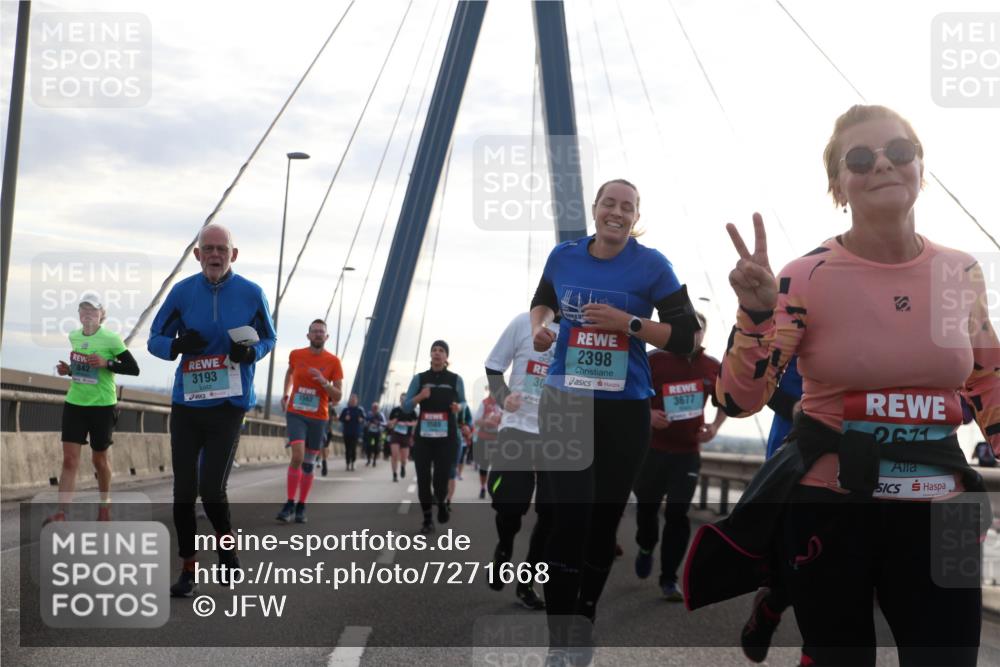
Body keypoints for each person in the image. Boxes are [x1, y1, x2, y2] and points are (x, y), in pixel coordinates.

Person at [685, 105, 999, 667]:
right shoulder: (805, 276)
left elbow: (988, 380)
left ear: (921, 170)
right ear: (838, 185)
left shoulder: (960, 272)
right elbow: (738, 400)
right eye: (860, 158)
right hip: (832, 504)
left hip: (942, 505)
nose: (882, 165)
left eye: (899, 152)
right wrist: (755, 315)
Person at [529, 178, 700, 664]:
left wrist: (629, 324)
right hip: (565, 401)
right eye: (610, 203)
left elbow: (685, 336)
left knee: (603, 526)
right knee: (569, 520)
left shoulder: (652, 265)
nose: (617, 213)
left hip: (625, 409)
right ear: (596, 208)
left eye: (627, 207)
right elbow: (543, 297)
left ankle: (583, 620)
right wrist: (540, 326)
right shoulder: (563, 256)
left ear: (635, 215)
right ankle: (558, 644)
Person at [148, 224, 276, 598]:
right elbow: (154, 338)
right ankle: (188, 569)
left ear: (233, 254)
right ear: (198, 254)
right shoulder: (182, 292)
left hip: (229, 405)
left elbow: (268, 337)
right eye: (209, 249)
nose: (215, 255)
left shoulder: (252, 293)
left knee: (211, 489)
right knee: (183, 493)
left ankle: (227, 548)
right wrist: (176, 345)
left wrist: (251, 352)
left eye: (222, 248)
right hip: (187, 404)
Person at [633, 311, 724, 601]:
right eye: (689, 330)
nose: (695, 335)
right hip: (652, 450)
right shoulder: (653, 360)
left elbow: (727, 400)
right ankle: (646, 546)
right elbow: (629, 394)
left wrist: (715, 426)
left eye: (700, 331)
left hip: (687, 453)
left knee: (677, 513)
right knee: (647, 510)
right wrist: (646, 414)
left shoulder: (712, 366)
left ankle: (669, 578)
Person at [484, 311, 559, 611]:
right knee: (510, 506)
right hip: (517, 427)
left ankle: (527, 581)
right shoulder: (523, 323)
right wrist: (503, 397)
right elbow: (493, 365)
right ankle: (504, 546)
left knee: (550, 514)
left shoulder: (583, 333)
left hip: (558, 434)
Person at [47, 293, 140, 524]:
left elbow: (133, 368)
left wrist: (106, 363)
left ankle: (104, 506)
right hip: (75, 403)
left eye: (92, 311)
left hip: (102, 406)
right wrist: (68, 370)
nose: (88, 314)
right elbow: (82, 369)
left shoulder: (111, 339)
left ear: (101, 315)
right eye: (84, 310)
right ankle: (62, 513)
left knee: (99, 461)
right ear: (79, 314)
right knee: (69, 460)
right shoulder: (74, 336)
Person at [739, 354, 801, 661]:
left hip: (869, 445)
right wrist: (800, 410)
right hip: (797, 446)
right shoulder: (797, 309)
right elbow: (755, 377)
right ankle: (772, 603)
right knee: (801, 557)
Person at [276, 319, 343, 523]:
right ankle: (289, 502)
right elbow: (289, 372)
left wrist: (324, 382)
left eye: (321, 332)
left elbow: (338, 396)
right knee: (297, 455)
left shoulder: (333, 362)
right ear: (308, 335)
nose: (317, 334)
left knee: (308, 463)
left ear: (326, 336)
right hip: (296, 413)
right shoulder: (296, 355)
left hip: (318, 417)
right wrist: (286, 394)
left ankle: (301, 505)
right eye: (314, 331)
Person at [401, 340, 467, 534]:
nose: (437, 353)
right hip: (424, 438)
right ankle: (427, 519)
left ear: (446, 357)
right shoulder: (420, 379)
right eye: (434, 350)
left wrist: (459, 407)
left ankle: (442, 502)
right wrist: (419, 397)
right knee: (423, 478)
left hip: (447, 439)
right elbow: (406, 406)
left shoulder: (455, 379)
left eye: (441, 351)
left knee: (440, 480)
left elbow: (464, 402)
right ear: (430, 355)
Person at [472, 392, 501, 499]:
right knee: (484, 465)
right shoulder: (484, 403)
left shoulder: (503, 403)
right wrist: (487, 422)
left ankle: (495, 488)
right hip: (484, 438)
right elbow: (476, 421)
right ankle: (483, 487)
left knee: (498, 466)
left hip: (499, 439)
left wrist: (499, 421)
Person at [387, 393, 417, 482]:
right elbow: (389, 423)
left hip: (406, 436)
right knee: (394, 455)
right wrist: (394, 421)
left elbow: (416, 422)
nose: (403, 401)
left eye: (405, 399)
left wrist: (409, 424)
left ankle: (403, 466)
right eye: (402, 399)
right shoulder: (395, 410)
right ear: (400, 400)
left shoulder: (411, 411)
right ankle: (394, 475)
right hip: (395, 434)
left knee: (404, 458)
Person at [338, 394, 365, 471]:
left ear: (357, 401)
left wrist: (361, 420)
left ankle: (353, 462)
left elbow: (364, 419)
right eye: (351, 400)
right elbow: (340, 419)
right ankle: (347, 463)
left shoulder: (360, 410)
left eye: (354, 400)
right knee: (347, 449)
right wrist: (345, 418)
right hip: (346, 432)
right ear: (349, 401)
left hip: (355, 433)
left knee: (353, 448)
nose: (353, 401)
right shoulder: (346, 410)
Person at [363, 402, 386, 467]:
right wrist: (368, 424)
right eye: (374, 407)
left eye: (376, 408)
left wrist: (378, 423)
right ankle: (368, 460)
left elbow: (385, 423)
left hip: (377, 433)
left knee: (376, 447)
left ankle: (374, 461)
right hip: (370, 432)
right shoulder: (369, 414)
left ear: (378, 408)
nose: (375, 409)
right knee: (369, 446)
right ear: (372, 408)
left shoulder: (381, 415)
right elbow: (364, 422)